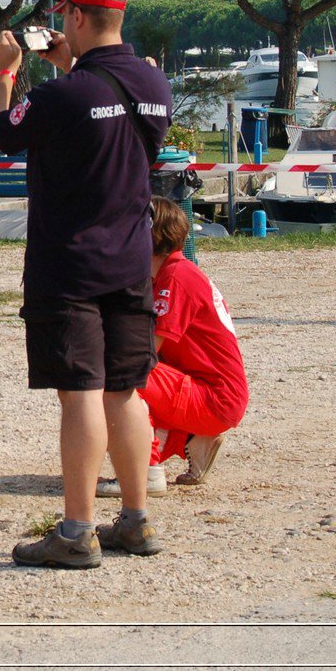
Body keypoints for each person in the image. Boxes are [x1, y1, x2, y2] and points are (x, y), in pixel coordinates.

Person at [0, 0, 173, 567]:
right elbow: (106, 111)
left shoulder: (62, 95)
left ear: (77, 17)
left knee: (80, 393)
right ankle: (135, 520)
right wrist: (72, 64)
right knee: (126, 391)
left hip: (69, 262)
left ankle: (76, 529)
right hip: (132, 255)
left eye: (65, 16)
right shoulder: (154, 83)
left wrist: (8, 71)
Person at [97, 198, 248, 495]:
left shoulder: (175, 277)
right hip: (213, 392)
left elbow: (145, 351)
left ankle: (146, 472)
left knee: (121, 374)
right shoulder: (174, 272)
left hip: (214, 397)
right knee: (121, 371)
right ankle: (194, 438)